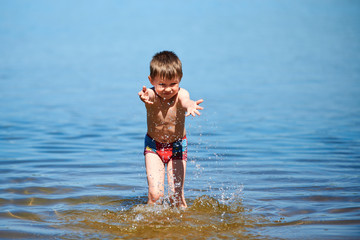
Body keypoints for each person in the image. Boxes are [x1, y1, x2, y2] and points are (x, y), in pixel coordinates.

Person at [138, 51, 203, 208]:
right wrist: (145, 96)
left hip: (177, 146)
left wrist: (191, 105)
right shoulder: (152, 94)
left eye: (173, 84)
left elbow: (185, 100)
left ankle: (182, 229)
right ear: (151, 80)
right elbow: (150, 96)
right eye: (162, 84)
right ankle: (151, 227)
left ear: (180, 79)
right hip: (154, 146)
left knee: (176, 196)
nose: (167, 89)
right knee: (155, 195)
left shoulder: (182, 94)